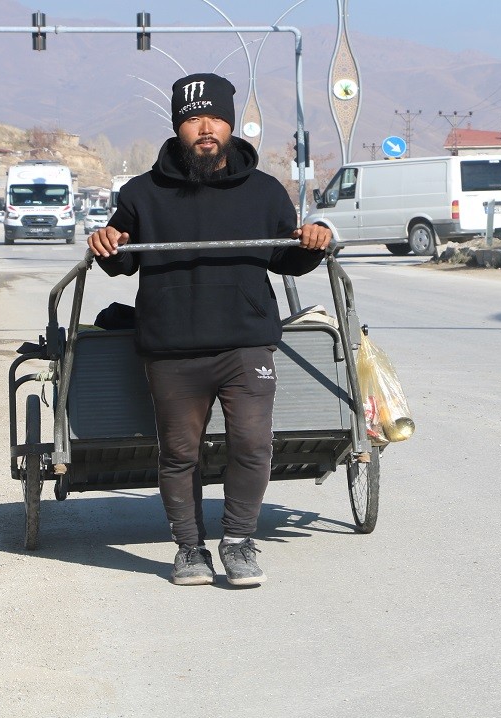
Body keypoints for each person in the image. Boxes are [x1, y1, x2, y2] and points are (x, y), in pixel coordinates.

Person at [87, 72, 331, 587]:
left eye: (214, 118)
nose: (205, 128)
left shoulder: (264, 192)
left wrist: (314, 239)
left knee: (252, 443)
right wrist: (106, 241)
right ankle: (189, 549)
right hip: (172, 350)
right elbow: (121, 261)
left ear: (230, 125)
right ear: (178, 127)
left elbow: (287, 260)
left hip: (246, 344)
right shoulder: (141, 194)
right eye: (193, 119)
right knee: (180, 453)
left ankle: (239, 541)